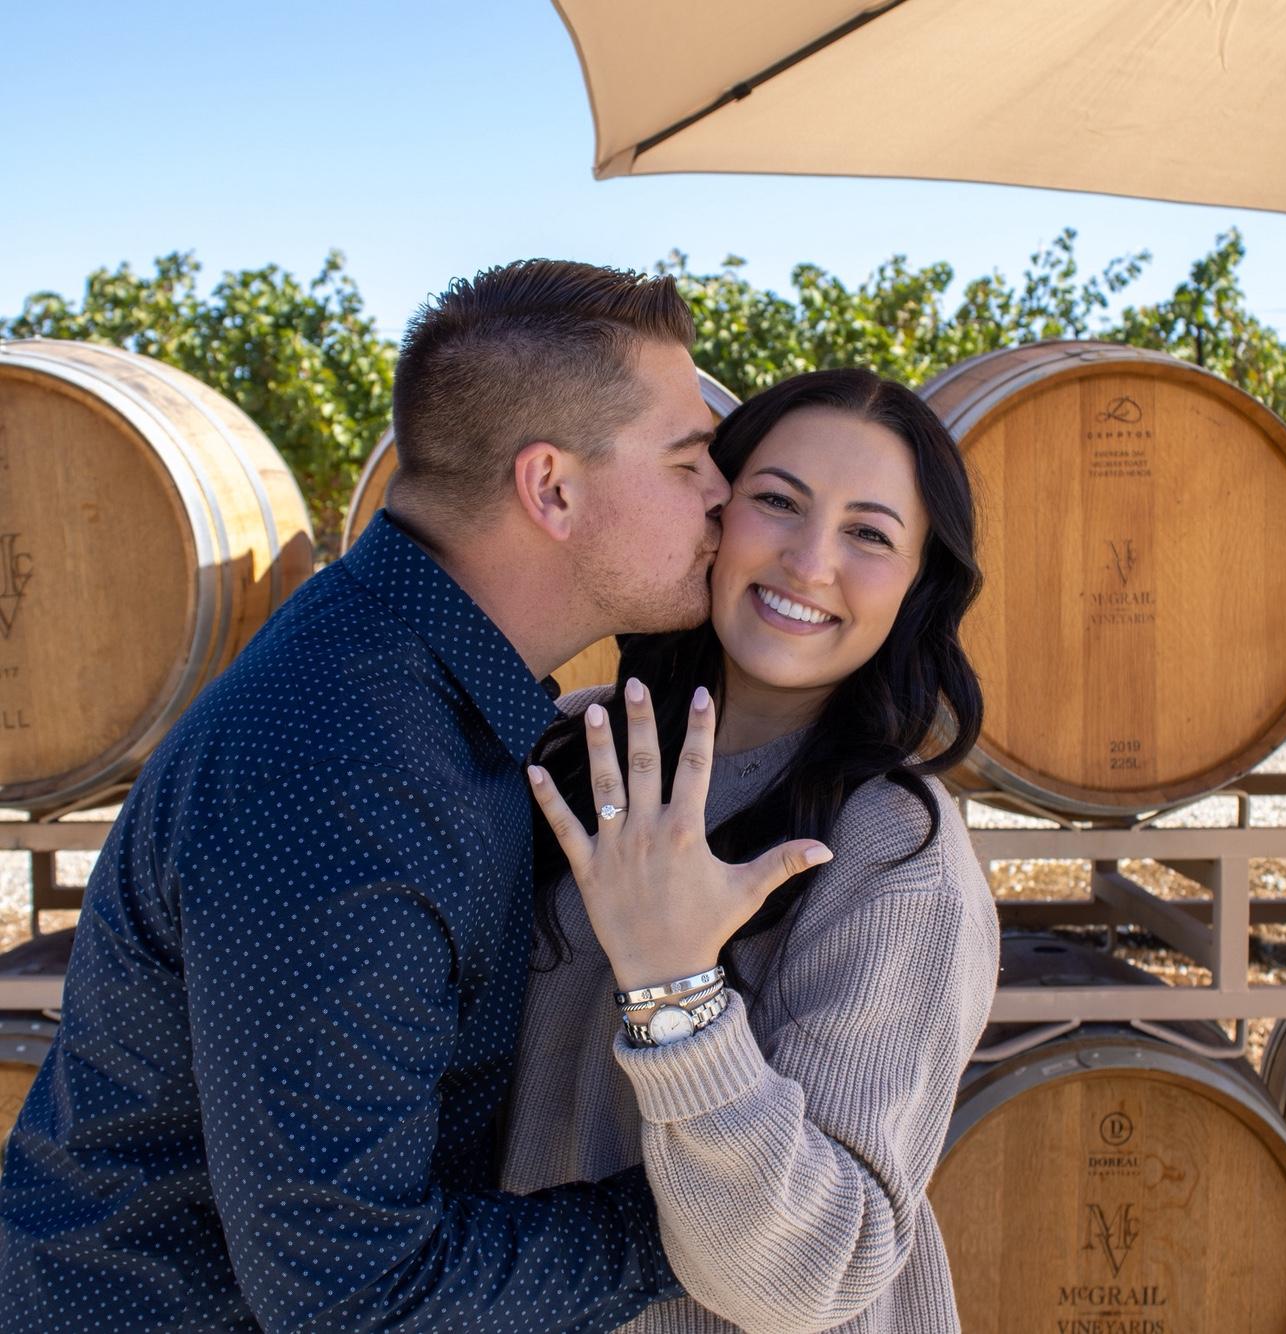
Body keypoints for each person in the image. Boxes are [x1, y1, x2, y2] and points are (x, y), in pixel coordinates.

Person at [0, 260, 817, 1332]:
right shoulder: (342, 771)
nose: (722, 492)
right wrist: (709, 1214)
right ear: (552, 489)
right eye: (684, 461)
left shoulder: (421, 688)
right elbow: (354, 1290)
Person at [507, 370, 1000, 1333]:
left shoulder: (894, 848)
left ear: (915, 585)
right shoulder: (573, 748)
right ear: (711, 513)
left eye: (869, 534)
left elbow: (810, 1279)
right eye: (776, 502)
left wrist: (675, 987)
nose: (810, 562)